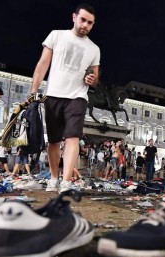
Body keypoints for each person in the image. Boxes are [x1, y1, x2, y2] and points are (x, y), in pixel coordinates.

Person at [30, 3, 101, 193]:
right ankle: (54, 178)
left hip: (77, 96)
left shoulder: (94, 49)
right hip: (53, 94)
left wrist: (91, 79)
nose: (86, 25)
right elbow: (43, 63)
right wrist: (34, 90)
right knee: (53, 140)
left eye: (90, 23)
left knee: (73, 137)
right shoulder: (56, 35)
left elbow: (95, 78)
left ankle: (67, 181)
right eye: (83, 19)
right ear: (74, 17)